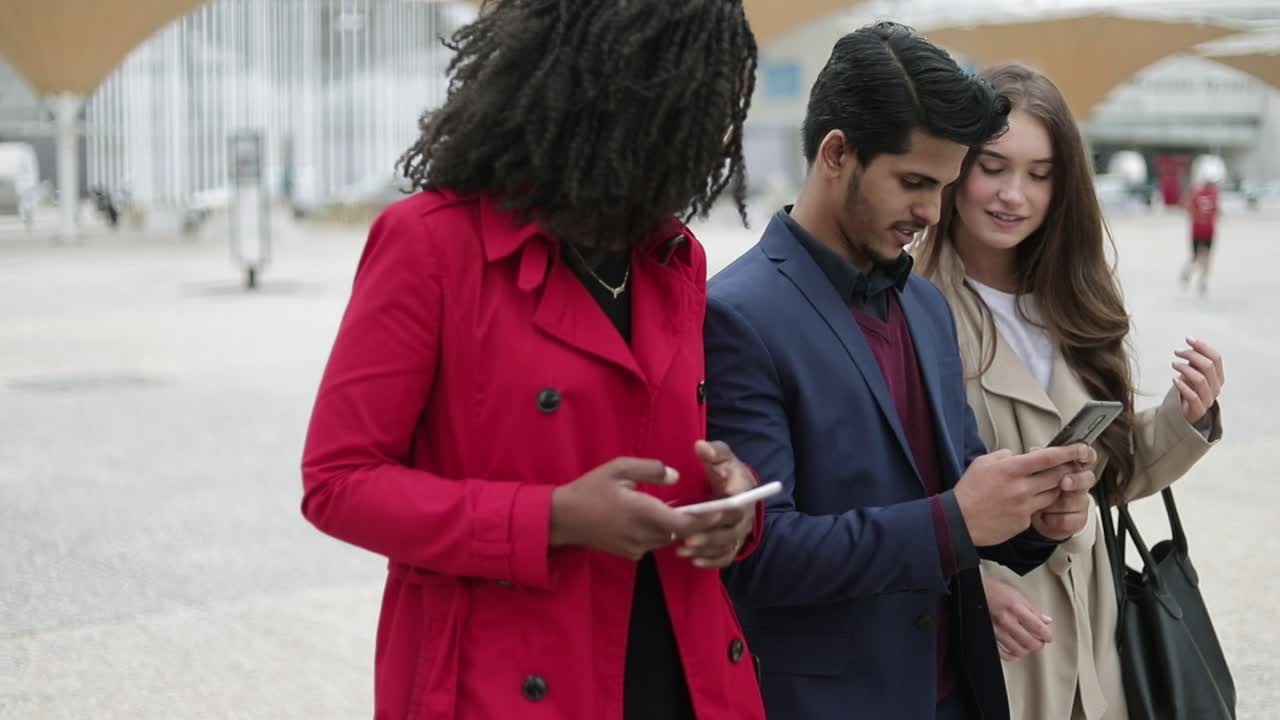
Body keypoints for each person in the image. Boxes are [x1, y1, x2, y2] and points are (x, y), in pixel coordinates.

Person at [299, 2, 768, 718]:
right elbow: (338, 484)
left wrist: (732, 503)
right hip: (510, 680)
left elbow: (660, 444)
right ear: (610, 95)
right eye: (693, 112)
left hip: (682, 672)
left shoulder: (673, 257)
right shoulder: (431, 245)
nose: (713, 143)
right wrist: (551, 517)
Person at [706, 23, 1098, 720]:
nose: (932, 212)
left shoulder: (924, 305)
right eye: (914, 182)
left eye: (944, 186)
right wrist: (953, 522)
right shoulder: (737, 314)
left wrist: (1037, 518)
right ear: (836, 153)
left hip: (957, 693)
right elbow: (760, 555)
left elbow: (960, 488)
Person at [913, 62, 1225, 720]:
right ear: (956, 167)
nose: (1013, 195)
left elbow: (1106, 474)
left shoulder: (1073, 304)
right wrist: (964, 590)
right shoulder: (913, 309)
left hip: (1095, 642)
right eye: (993, 167)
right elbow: (885, 494)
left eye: (1039, 173)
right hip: (993, 649)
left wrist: (1185, 417)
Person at [1181, 175, 1221, 296]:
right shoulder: (1203, 193)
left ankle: (1201, 279)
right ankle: (1192, 274)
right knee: (1199, 257)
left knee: (1204, 257)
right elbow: (1187, 206)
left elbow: (1216, 210)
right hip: (1201, 230)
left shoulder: (1204, 193)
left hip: (1205, 230)